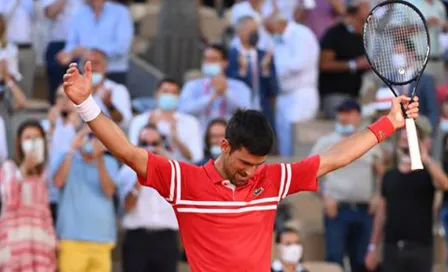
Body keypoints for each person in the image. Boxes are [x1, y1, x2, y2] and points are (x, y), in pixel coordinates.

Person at [62, 61, 419, 271]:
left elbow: (334, 158)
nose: (251, 171)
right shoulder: (182, 181)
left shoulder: (271, 178)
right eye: (245, 162)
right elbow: (127, 152)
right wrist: (86, 105)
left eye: (258, 164)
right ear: (224, 146)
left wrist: (389, 123)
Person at [364, 117, 448, 272]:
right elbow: (381, 213)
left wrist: (425, 159)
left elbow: (445, 184)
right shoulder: (389, 176)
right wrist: (372, 246)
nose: (406, 142)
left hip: (421, 248)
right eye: (403, 139)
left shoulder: (428, 173)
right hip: (392, 248)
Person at [310, 100, 384, 272]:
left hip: (364, 210)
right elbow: (310, 173)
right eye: (341, 112)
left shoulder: (368, 141)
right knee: (334, 258)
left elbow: (381, 173)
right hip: (337, 210)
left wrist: (378, 195)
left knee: (362, 261)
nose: (344, 117)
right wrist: (325, 197)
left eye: (349, 112)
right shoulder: (326, 142)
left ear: (358, 116)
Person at [119, 124, 179, 272]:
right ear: (138, 145)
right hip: (137, 239)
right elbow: (127, 206)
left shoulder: (175, 169)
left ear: (162, 145)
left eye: (154, 144)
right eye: (145, 144)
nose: (150, 148)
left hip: (166, 238)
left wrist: (165, 162)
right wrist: (141, 175)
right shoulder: (127, 171)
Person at [0, 120, 57, 271]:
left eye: (37, 138)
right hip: (15, 248)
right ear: (19, 142)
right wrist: (24, 169)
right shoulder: (9, 168)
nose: (32, 142)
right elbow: (10, 200)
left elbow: (45, 214)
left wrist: (52, 245)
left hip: (40, 248)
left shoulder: (43, 175)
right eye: (27, 138)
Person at [264, 12, 320, 156]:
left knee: (298, 139)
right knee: (284, 141)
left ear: (280, 23)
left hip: (300, 94)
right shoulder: (277, 38)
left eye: (270, 28)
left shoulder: (301, 34)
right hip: (283, 95)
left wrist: (271, 66)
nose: (269, 32)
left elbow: (298, 65)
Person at [178, 43, 251, 133]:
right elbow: (183, 110)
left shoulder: (239, 86)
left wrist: (226, 92)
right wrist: (211, 97)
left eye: (214, 59)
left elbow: (247, 112)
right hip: (200, 135)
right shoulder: (192, 86)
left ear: (225, 63)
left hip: (231, 136)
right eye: (206, 59)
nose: (209, 63)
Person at [319, 0, 371, 119]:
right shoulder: (334, 33)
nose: (369, 10)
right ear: (355, 9)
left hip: (357, 95)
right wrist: (353, 65)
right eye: (365, 6)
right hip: (335, 95)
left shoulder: (365, 34)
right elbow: (324, 64)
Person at [227, 15, 279, 129]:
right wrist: (242, 71)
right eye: (251, 30)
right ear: (240, 32)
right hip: (239, 111)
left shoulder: (265, 56)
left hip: (262, 110)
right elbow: (230, 84)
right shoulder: (231, 56)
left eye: (256, 30)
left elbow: (273, 90)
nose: (255, 34)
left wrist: (266, 71)